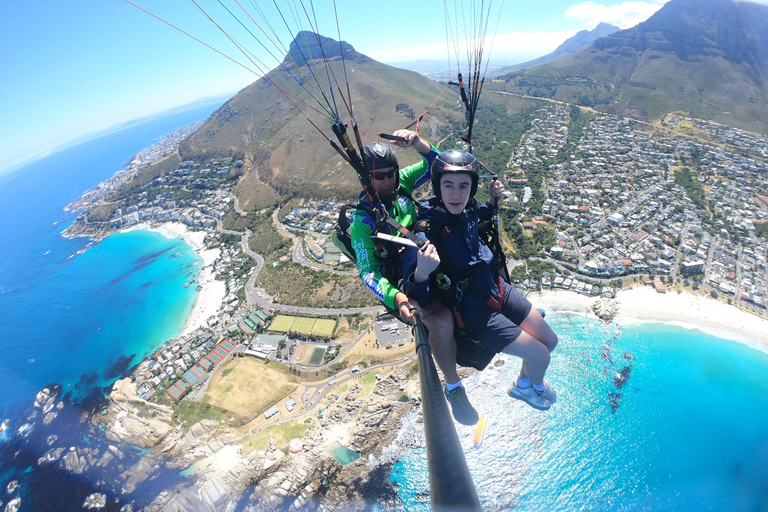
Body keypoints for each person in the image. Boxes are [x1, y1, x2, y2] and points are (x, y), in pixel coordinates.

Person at [403, 149, 559, 411]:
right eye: (449, 186)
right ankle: (535, 388)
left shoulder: (468, 208)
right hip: (475, 310)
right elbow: (414, 290)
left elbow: (476, 220)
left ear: (472, 188)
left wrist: (492, 202)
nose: (456, 194)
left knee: (551, 342)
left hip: (497, 288)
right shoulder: (426, 229)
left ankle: (523, 384)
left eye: (464, 186)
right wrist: (421, 272)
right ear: (438, 186)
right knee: (541, 354)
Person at [349, 132, 480, 425]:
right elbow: (368, 272)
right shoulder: (363, 222)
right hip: (407, 279)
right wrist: (396, 297)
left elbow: (440, 164)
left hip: (432, 254)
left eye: (390, 174)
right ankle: (454, 386)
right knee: (443, 323)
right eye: (378, 177)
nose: (386, 182)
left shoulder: (403, 184)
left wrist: (418, 144)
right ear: (366, 180)